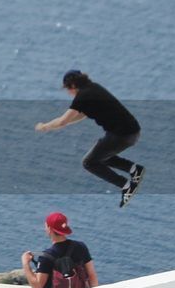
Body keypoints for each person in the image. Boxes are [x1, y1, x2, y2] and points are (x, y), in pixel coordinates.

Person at [35, 70, 145, 207]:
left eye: (68, 89)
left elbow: (62, 121)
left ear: (73, 85)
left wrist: (44, 126)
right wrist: (62, 124)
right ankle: (135, 170)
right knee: (100, 155)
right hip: (132, 132)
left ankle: (126, 185)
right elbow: (81, 115)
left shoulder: (83, 96)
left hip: (121, 136)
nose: (68, 93)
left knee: (89, 162)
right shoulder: (94, 88)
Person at [20, 211, 98, 288]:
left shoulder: (46, 257)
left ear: (49, 229)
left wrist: (25, 263)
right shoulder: (81, 247)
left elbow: (37, 287)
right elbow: (91, 276)